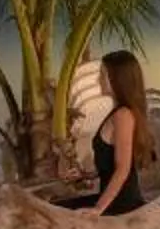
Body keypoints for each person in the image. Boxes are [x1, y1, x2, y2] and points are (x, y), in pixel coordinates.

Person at [58, 49, 152, 216]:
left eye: (103, 75)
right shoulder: (118, 113)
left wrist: (98, 209)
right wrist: (85, 175)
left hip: (121, 205)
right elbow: (110, 165)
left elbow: (123, 169)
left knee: (57, 212)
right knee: (55, 208)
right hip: (111, 200)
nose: (98, 80)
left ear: (117, 79)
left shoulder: (123, 116)